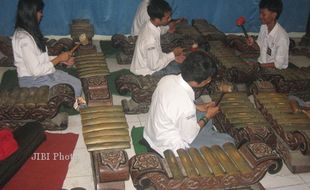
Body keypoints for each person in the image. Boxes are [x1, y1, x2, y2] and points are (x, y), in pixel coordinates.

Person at [143, 51, 235, 157]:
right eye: (208, 79)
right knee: (228, 141)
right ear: (197, 83)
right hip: (168, 148)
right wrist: (207, 116)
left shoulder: (167, 79)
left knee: (199, 113)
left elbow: (171, 104)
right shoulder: (185, 104)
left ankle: (207, 130)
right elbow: (189, 136)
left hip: (152, 133)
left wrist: (197, 107)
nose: (209, 80)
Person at [12, 0, 83, 105]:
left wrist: (62, 60)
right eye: (40, 11)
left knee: (77, 83)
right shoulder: (24, 39)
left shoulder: (30, 31)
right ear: (31, 13)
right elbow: (36, 71)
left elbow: (40, 58)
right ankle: (80, 107)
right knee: (70, 88)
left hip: (43, 74)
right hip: (33, 81)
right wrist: (59, 59)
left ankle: (79, 104)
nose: (42, 14)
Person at [130, 0, 185, 78]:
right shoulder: (149, 40)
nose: (170, 19)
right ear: (157, 19)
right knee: (182, 70)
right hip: (147, 72)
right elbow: (154, 66)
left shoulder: (151, 25)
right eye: (167, 17)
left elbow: (157, 54)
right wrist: (173, 54)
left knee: (182, 62)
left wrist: (173, 58)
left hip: (151, 64)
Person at [246, 0, 289, 69]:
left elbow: (278, 64)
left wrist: (258, 66)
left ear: (274, 15)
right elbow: (260, 47)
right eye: (260, 13)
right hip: (261, 63)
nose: (260, 17)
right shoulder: (263, 27)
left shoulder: (282, 37)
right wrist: (253, 43)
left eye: (263, 14)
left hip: (275, 70)